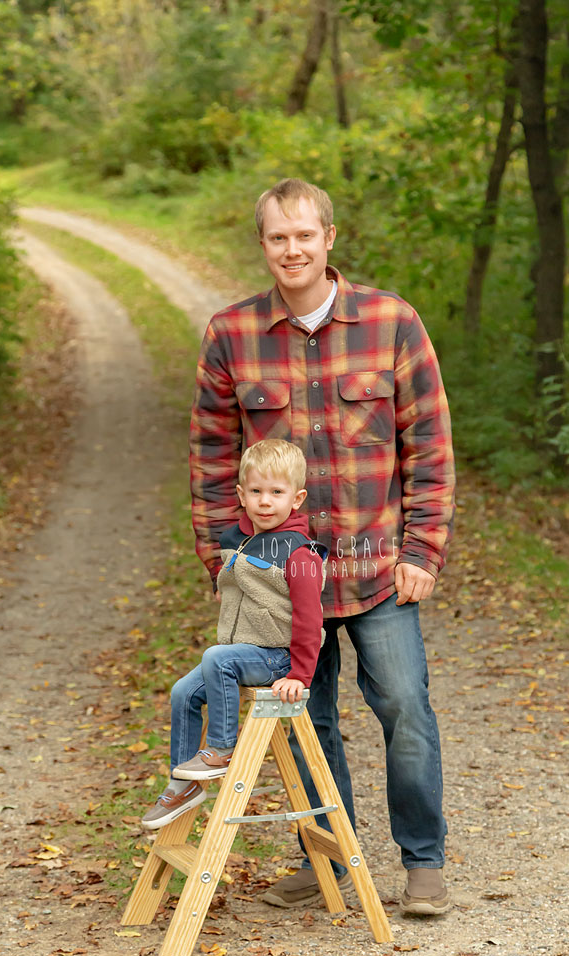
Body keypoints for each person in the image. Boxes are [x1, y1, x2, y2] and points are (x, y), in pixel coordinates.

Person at [189, 178, 456, 915]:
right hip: (280, 577)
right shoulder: (231, 334)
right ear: (263, 245)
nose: (292, 249)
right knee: (303, 716)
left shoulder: (391, 322)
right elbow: (212, 459)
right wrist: (225, 560)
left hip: (376, 569)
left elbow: (428, 445)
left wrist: (422, 549)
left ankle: (422, 863)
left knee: (404, 705)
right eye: (278, 237)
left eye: (304, 235)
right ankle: (329, 862)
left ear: (328, 237)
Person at [141, 439, 327, 829]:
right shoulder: (234, 541)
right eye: (256, 492)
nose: (265, 501)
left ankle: (221, 749)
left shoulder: (300, 552)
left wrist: (299, 675)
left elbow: (311, 620)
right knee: (182, 693)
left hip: (276, 656)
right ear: (242, 495)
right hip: (241, 651)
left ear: (297, 498)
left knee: (215, 657)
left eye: (277, 493)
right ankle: (181, 784)